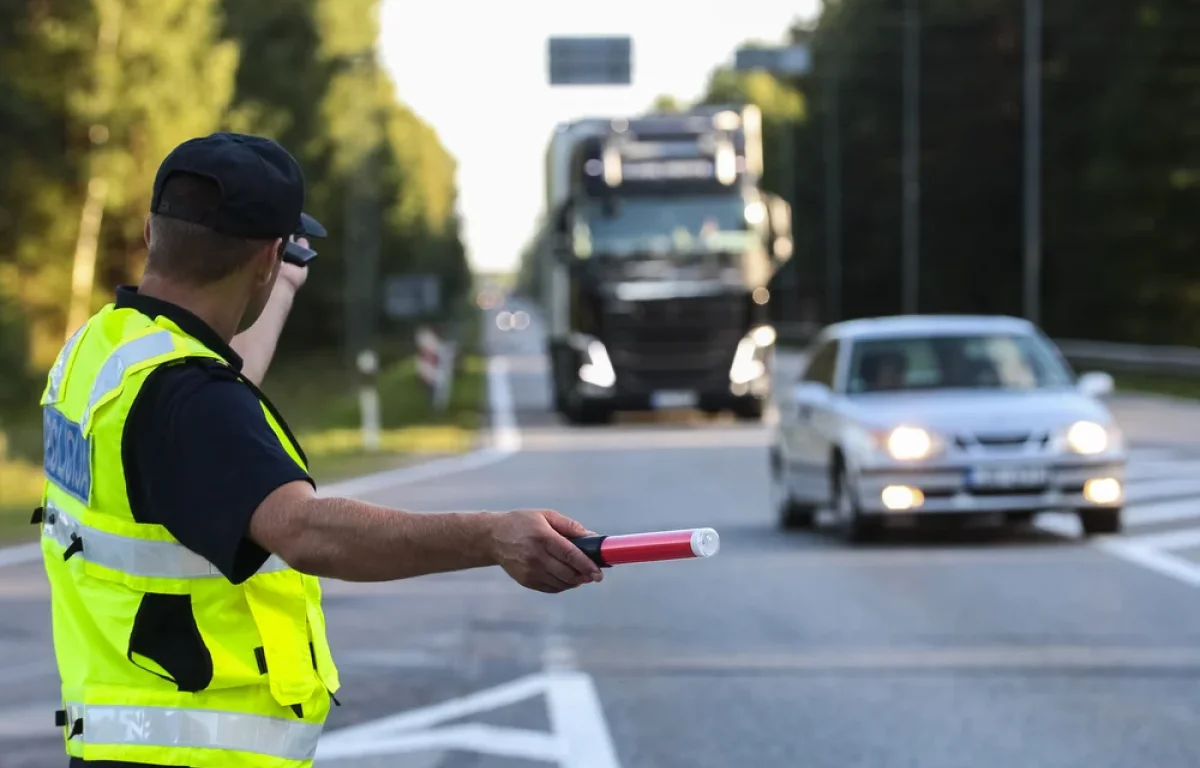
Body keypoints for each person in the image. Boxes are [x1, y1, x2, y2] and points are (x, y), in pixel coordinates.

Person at [35, 132, 604, 768]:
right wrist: (492, 536)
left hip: (121, 738)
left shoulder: (104, 352)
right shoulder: (189, 402)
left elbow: (213, 418)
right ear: (267, 256)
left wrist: (278, 287)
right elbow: (304, 531)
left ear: (150, 233)